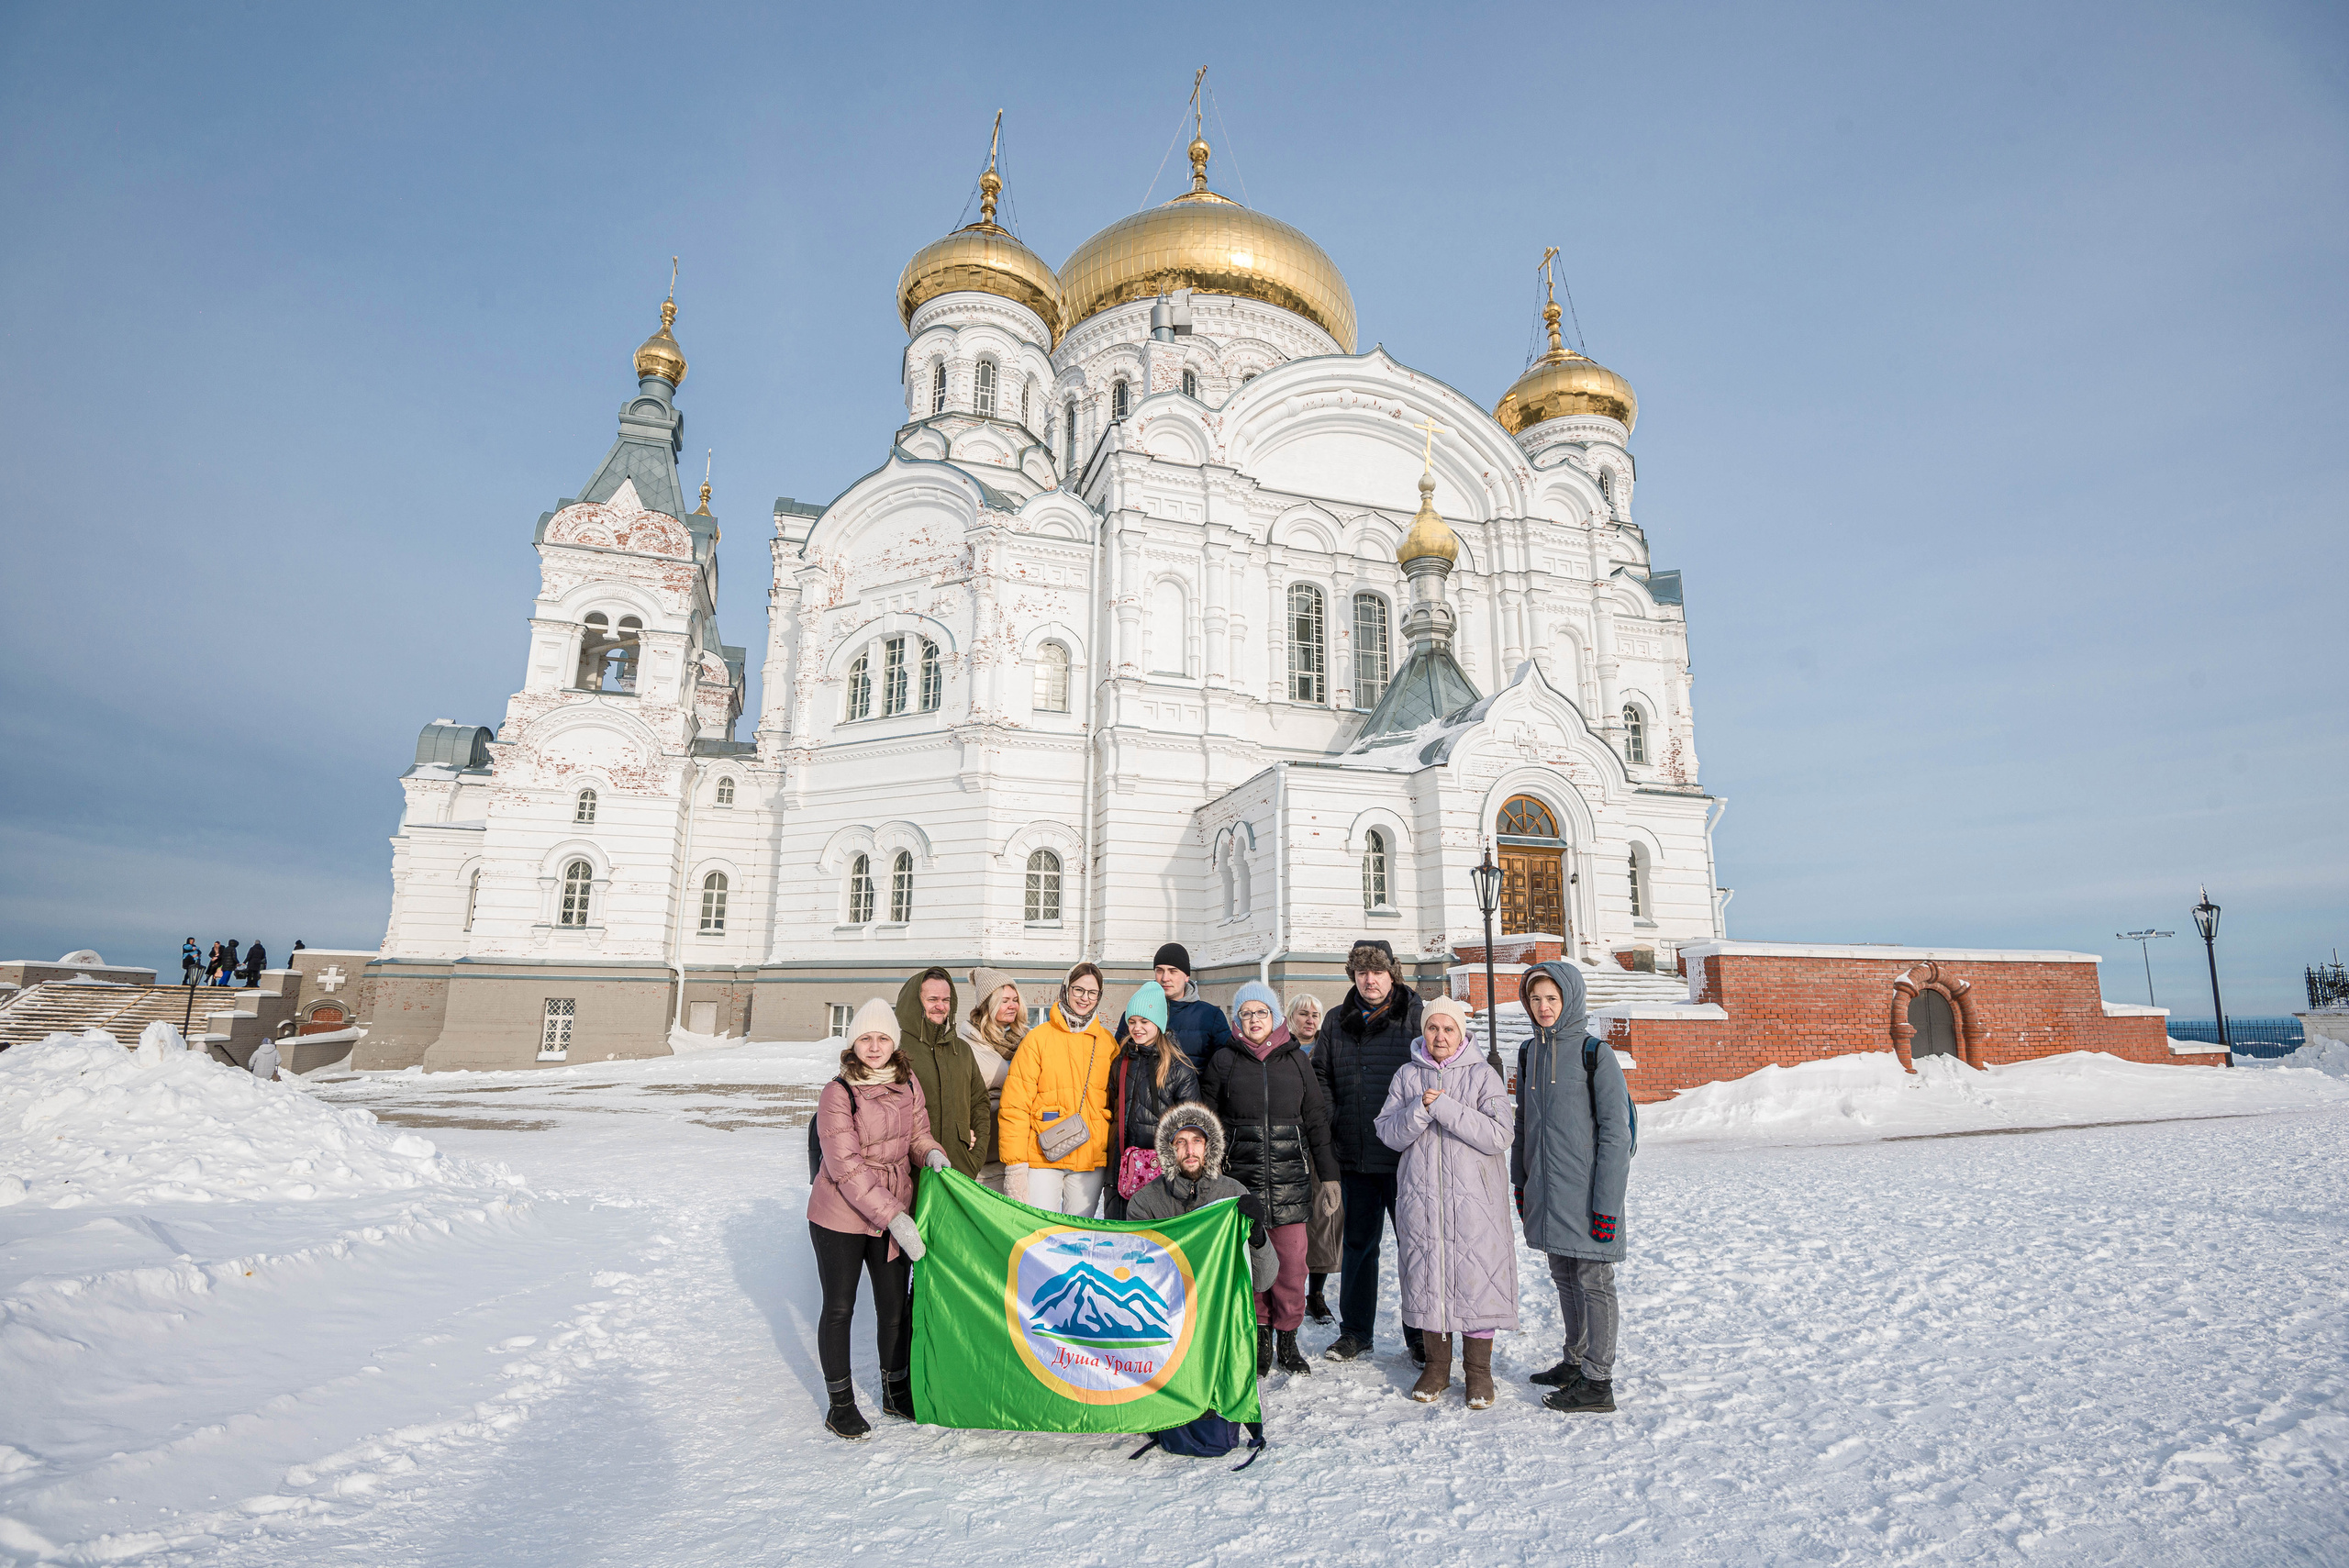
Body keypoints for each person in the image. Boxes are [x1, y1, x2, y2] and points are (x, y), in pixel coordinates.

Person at [807, 996, 949, 1440]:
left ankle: (894, 1391)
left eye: (882, 1037)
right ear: (853, 1043)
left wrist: (933, 1155)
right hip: (840, 1215)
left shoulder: (907, 1083)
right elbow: (845, 1167)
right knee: (840, 1308)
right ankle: (841, 1403)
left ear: (894, 1042)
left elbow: (918, 1134)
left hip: (893, 1210)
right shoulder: (838, 1092)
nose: (874, 1046)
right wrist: (896, 1218)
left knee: (893, 1307)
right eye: (865, 1038)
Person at [1375, 995, 1518, 1408]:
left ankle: (1478, 1373)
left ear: (1461, 1034)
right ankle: (1436, 1367)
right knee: (1429, 1277)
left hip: (1474, 1203)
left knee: (1476, 1280)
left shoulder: (1482, 1075)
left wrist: (1448, 1108)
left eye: (1448, 1029)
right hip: (1423, 1201)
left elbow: (1499, 1135)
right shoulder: (1407, 1075)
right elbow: (1388, 1132)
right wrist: (1420, 1111)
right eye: (1433, 1028)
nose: (1440, 1036)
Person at [1513, 962, 1631, 1415]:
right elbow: (1524, 1124)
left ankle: (1598, 1382)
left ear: (1570, 1000)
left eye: (1552, 999)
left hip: (1587, 1196)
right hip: (1547, 1192)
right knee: (1564, 1279)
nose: (1544, 1008)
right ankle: (1575, 1361)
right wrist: (1520, 1183)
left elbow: (1615, 1134)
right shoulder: (1529, 1053)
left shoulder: (1594, 1054)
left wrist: (1606, 1206)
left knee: (1593, 1281)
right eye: (1536, 999)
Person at [1203, 980, 1339, 1377]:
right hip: (1241, 1182)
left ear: (1275, 1017)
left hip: (1290, 1180)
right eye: (1246, 1014)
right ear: (1237, 1020)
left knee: (1293, 1265)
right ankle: (1261, 1336)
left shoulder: (1296, 1060)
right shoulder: (1223, 1061)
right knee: (1254, 1264)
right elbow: (1207, 1122)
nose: (1254, 1020)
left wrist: (1329, 1178)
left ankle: (1289, 1339)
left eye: (1261, 1012)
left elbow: (1315, 1119)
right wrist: (1211, 1175)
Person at [1314, 940, 1426, 1363]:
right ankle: (1355, 1332)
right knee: (1359, 1246)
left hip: (1407, 1157)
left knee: (1415, 1246)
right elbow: (1320, 1074)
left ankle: (1420, 1333)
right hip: (1356, 1154)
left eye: (1377, 971)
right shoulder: (1336, 1021)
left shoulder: (1415, 1017)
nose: (1369, 979)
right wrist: (1334, 1116)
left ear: (1392, 973)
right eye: (1361, 972)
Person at [998, 962, 1117, 1216]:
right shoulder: (1037, 1039)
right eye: (1078, 990)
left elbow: (1116, 1103)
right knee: (1041, 1231)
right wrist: (1015, 1165)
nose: (1084, 998)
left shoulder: (1107, 1043)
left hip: (1089, 1158)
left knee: (1078, 1235)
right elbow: (1015, 1105)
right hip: (1043, 1155)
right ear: (1065, 989)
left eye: (1092, 992)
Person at [1126, 1101, 1279, 1293]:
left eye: (1197, 1140)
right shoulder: (1145, 1203)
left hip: (1219, 1310)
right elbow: (1139, 1275)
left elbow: (1262, 1282)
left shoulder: (1234, 1195)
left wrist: (1257, 1238)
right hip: (1168, 1310)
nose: (1190, 1151)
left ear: (1209, 1146)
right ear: (1169, 1150)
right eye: (1180, 1142)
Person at [1104, 981, 1201, 1220]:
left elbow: (1192, 1125)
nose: (1137, 1028)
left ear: (1158, 1023)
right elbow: (1112, 1109)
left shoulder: (1179, 1069)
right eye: (1132, 1021)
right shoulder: (1121, 1062)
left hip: (1162, 1175)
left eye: (1144, 1022)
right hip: (1122, 1170)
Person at [1278, 994, 1340, 1322]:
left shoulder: (1326, 1050)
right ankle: (1285, 1291)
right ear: (1290, 1017)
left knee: (1322, 1221)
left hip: (1320, 1145)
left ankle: (1316, 1292)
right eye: (1303, 1013)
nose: (1310, 1020)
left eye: (1316, 1014)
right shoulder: (1280, 1051)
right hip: (1287, 1145)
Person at [895, 969, 989, 1178]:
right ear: (915, 1002)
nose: (941, 1006)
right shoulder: (895, 1050)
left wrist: (975, 1157)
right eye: (932, 999)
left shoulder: (961, 1050)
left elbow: (979, 1102)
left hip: (959, 1171)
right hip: (911, 1175)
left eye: (946, 1000)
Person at [958, 968, 1026, 1191]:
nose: (1012, 1005)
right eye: (1004, 1000)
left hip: (1017, 1146)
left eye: (1015, 999)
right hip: (985, 1149)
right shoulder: (967, 1044)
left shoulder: (1021, 1040)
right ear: (988, 1005)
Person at [1144, 943, 1233, 1072]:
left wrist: (1204, 1091)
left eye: (1173, 971)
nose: (1165, 978)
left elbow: (1224, 1066)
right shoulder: (1138, 1014)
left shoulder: (1210, 1016)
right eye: (1159, 970)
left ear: (1186, 976)